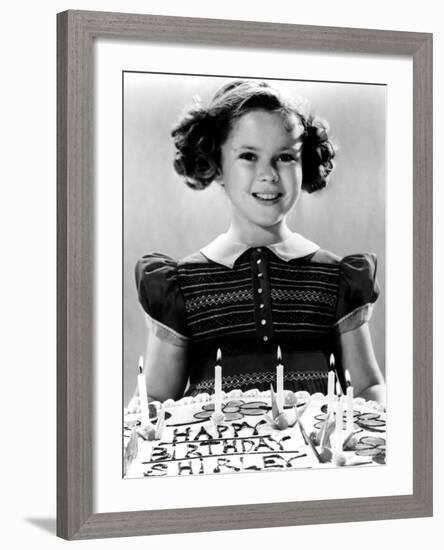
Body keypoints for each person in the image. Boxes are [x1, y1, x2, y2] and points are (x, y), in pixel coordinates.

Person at [130, 80, 386, 408]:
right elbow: (155, 396)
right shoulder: (181, 286)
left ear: (304, 162)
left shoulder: (337, 279)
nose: (269, 174)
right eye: (249, 156)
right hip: (214, 457)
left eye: (285, 157)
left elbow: (366, 388)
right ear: (215, 165)